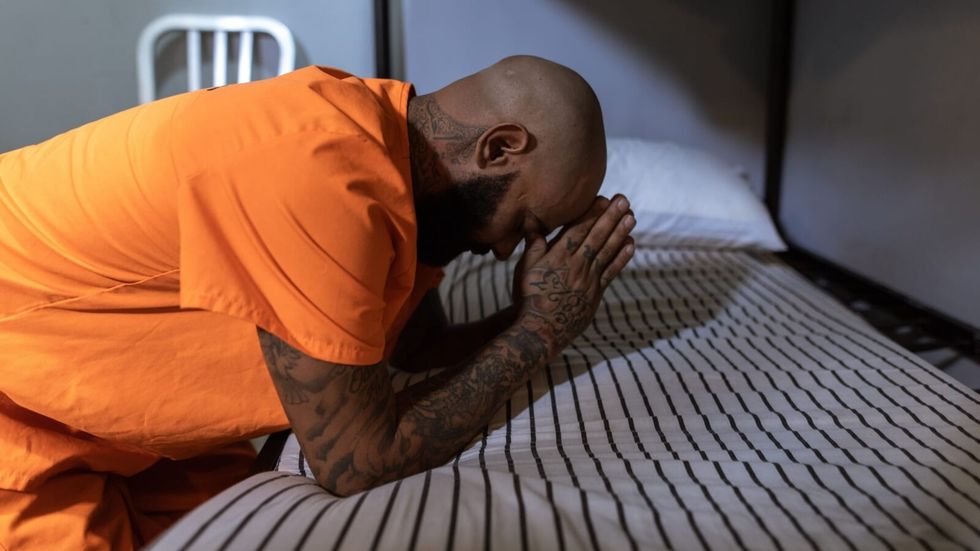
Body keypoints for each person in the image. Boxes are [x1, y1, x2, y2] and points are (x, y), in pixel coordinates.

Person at [0, 55, 634, 549]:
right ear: (497, 148)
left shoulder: (390, 149)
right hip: (18, 413)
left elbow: (413, 347)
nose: (503, 251)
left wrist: (523, 314)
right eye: (523, 223)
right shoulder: (324, 172)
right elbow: (358, 463)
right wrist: (536, 335)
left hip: (110, 430)